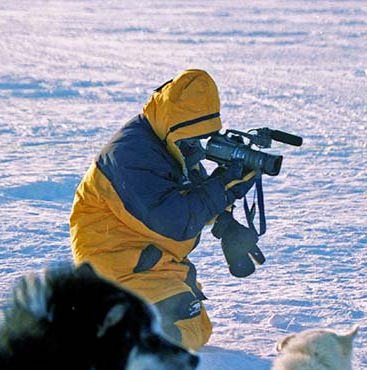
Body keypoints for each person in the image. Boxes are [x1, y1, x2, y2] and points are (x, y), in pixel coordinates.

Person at [69, 69, 258, 351]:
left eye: (203, 135)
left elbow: (195, 193)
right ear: (175, 122)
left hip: (148, 259)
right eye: (191, 135)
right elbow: (173, 219)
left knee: (195, 326)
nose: (196, 144)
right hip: (116, 262)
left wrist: (226, 224)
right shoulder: (130, 156)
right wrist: (224, 186)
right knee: (179, 330)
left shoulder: (170, 141)